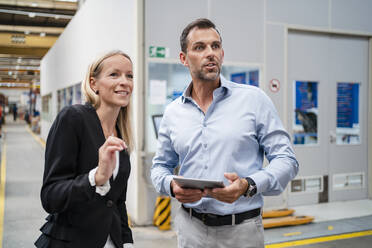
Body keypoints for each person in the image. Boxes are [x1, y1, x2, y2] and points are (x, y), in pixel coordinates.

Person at [151, 18, 299, 248]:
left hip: (242, 231)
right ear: (183, 58)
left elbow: (287, 159)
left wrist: (248, 185)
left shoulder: (254, 100)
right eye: (200, 47)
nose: (210, 53)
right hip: (191, 231)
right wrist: (172, 185)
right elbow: (160, 167)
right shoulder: (172, 113)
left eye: (215, 46)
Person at [35, 50, 135, 248]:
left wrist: (126, 240)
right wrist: (95, 178)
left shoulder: (121, 134)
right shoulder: (73, 119)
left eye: (129, 75)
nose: (125, 81)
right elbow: (50, 196)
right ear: (93, 83)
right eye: (114, 74)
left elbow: (117, 201)